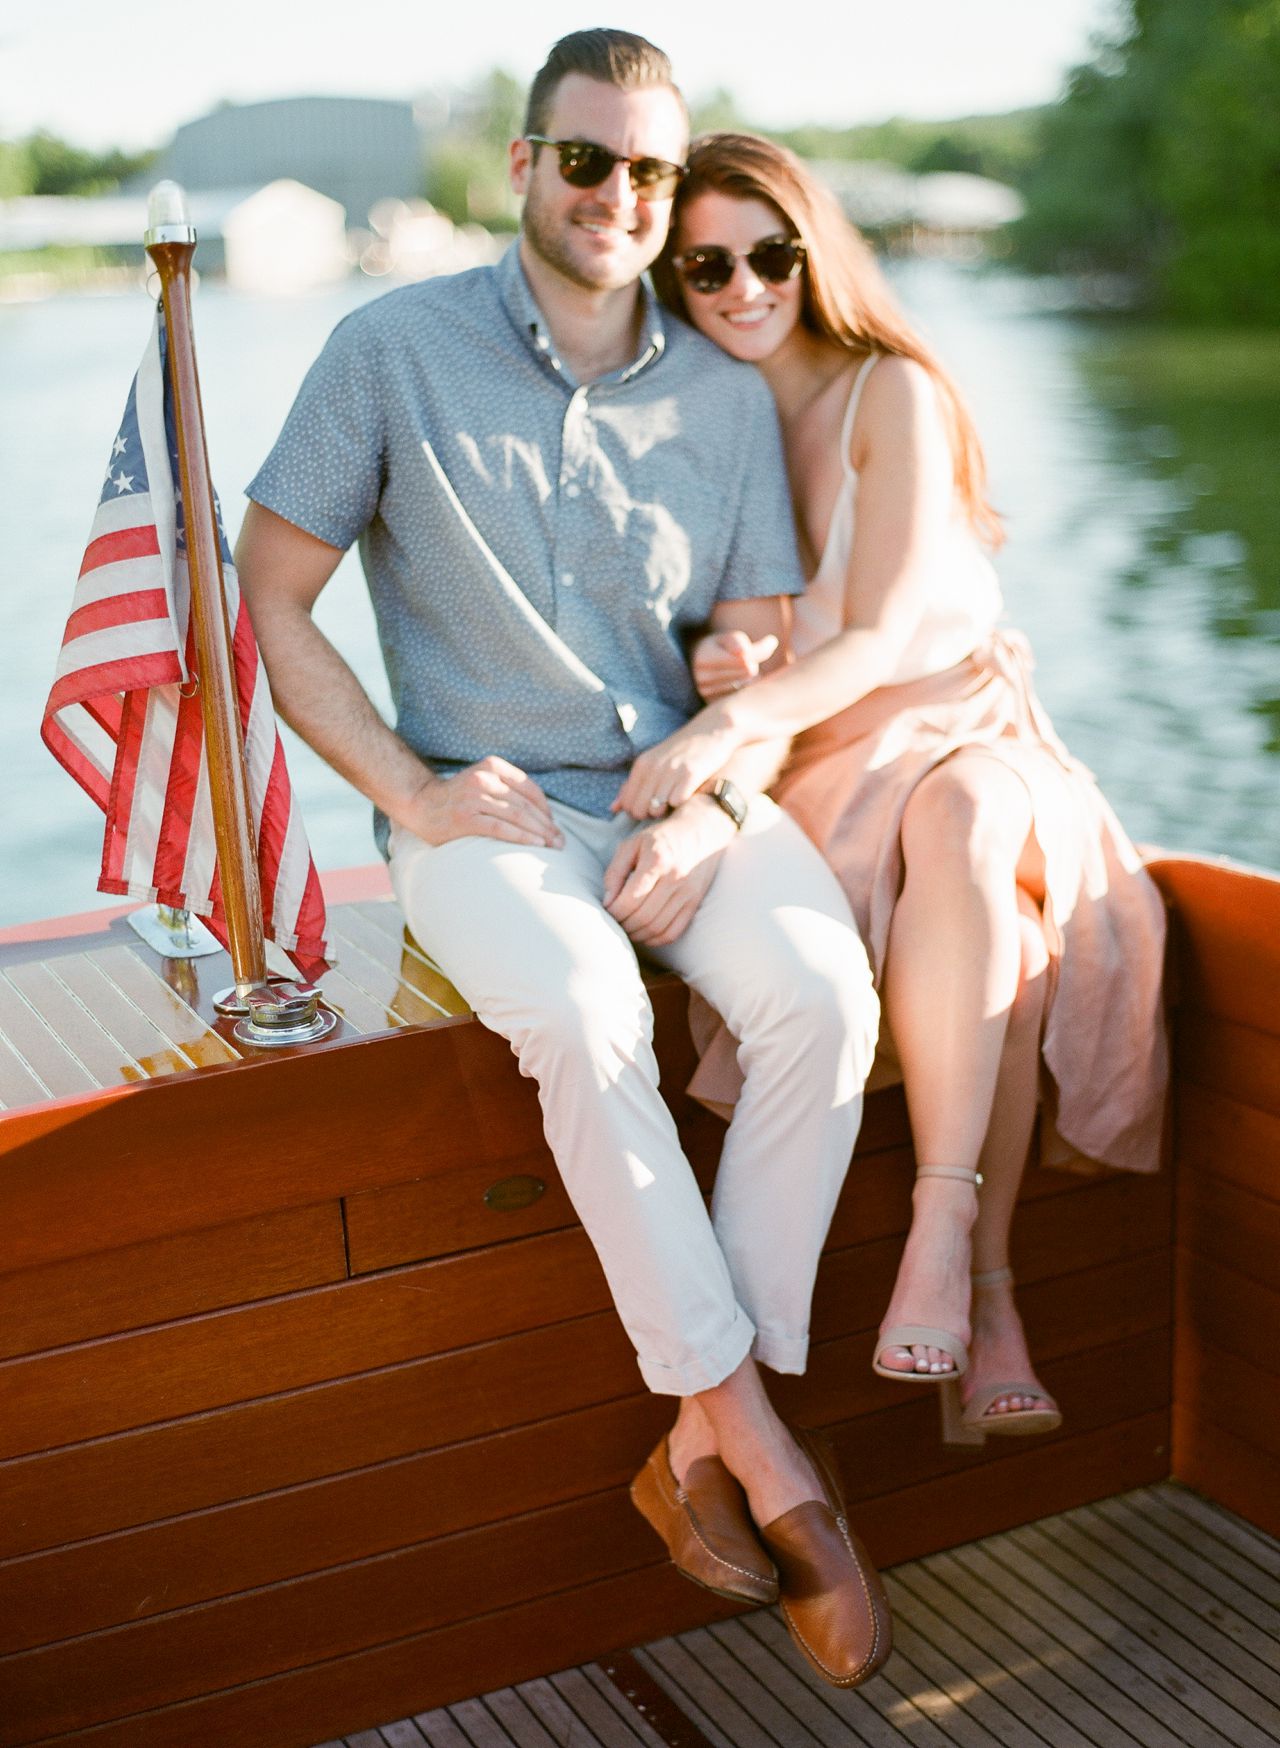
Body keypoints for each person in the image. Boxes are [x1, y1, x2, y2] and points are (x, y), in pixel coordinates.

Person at [235, 35, 890, 1690]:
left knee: (823, 995)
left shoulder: (725, 394)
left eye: (650, 172)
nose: (619, 196)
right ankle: (766, 1452)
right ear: (522, 167)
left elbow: (747, 640)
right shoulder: (392, 349)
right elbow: (268, 594)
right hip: (487, 815)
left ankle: (691, 1447)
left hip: (682, 801)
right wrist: (409, 784)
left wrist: (709, 794)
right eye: (586, 160)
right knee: (592, 1017)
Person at [621, 131, 1168, 1447]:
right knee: (1005, 922)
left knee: (969, 813)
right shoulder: (706, 424)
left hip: (963, 723)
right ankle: (992, 1305)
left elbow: (878, 637)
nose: (743, 285)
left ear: (817, 253)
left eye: (772, 254)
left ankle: (944, 1222)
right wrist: (718, 691)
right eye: (707, 265)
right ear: (672, 279)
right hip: (821, 764)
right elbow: (730, 638)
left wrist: (726, 725)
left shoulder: (893, 393)